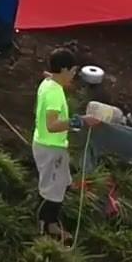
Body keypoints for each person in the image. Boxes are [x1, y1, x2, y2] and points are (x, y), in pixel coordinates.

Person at [34, 48, 90, 243]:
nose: (74, 76)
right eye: (73, 72)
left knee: (61, 182)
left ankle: (50, 221)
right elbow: (52, 125)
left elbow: (51, 77)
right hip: (51, 148)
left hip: (47, 144)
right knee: (54, 191)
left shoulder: (48, 83)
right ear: (64, 69)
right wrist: (79, 121)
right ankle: (46, 226)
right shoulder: (55, 94)